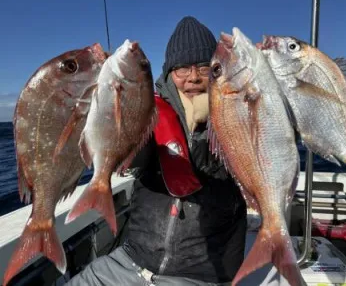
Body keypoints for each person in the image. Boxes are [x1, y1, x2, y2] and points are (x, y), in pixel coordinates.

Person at [65, 16, 247, 286]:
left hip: (200, 274)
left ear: (217, 69)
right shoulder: (151, 110)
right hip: (129, 261)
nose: (193, 77)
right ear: (169, 73)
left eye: (202, 67)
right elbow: (136, 156)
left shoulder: (239, 113)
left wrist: (202, 126)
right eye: (182, 68)